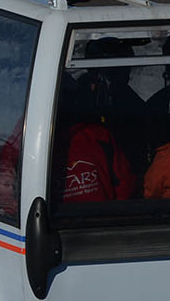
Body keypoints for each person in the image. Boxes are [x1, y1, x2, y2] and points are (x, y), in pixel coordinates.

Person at [57, 70, 138, 202]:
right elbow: (125, 184)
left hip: (67, 217)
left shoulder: (38, 134)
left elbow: (124, 183)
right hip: (96, 217)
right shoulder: (98, 135)